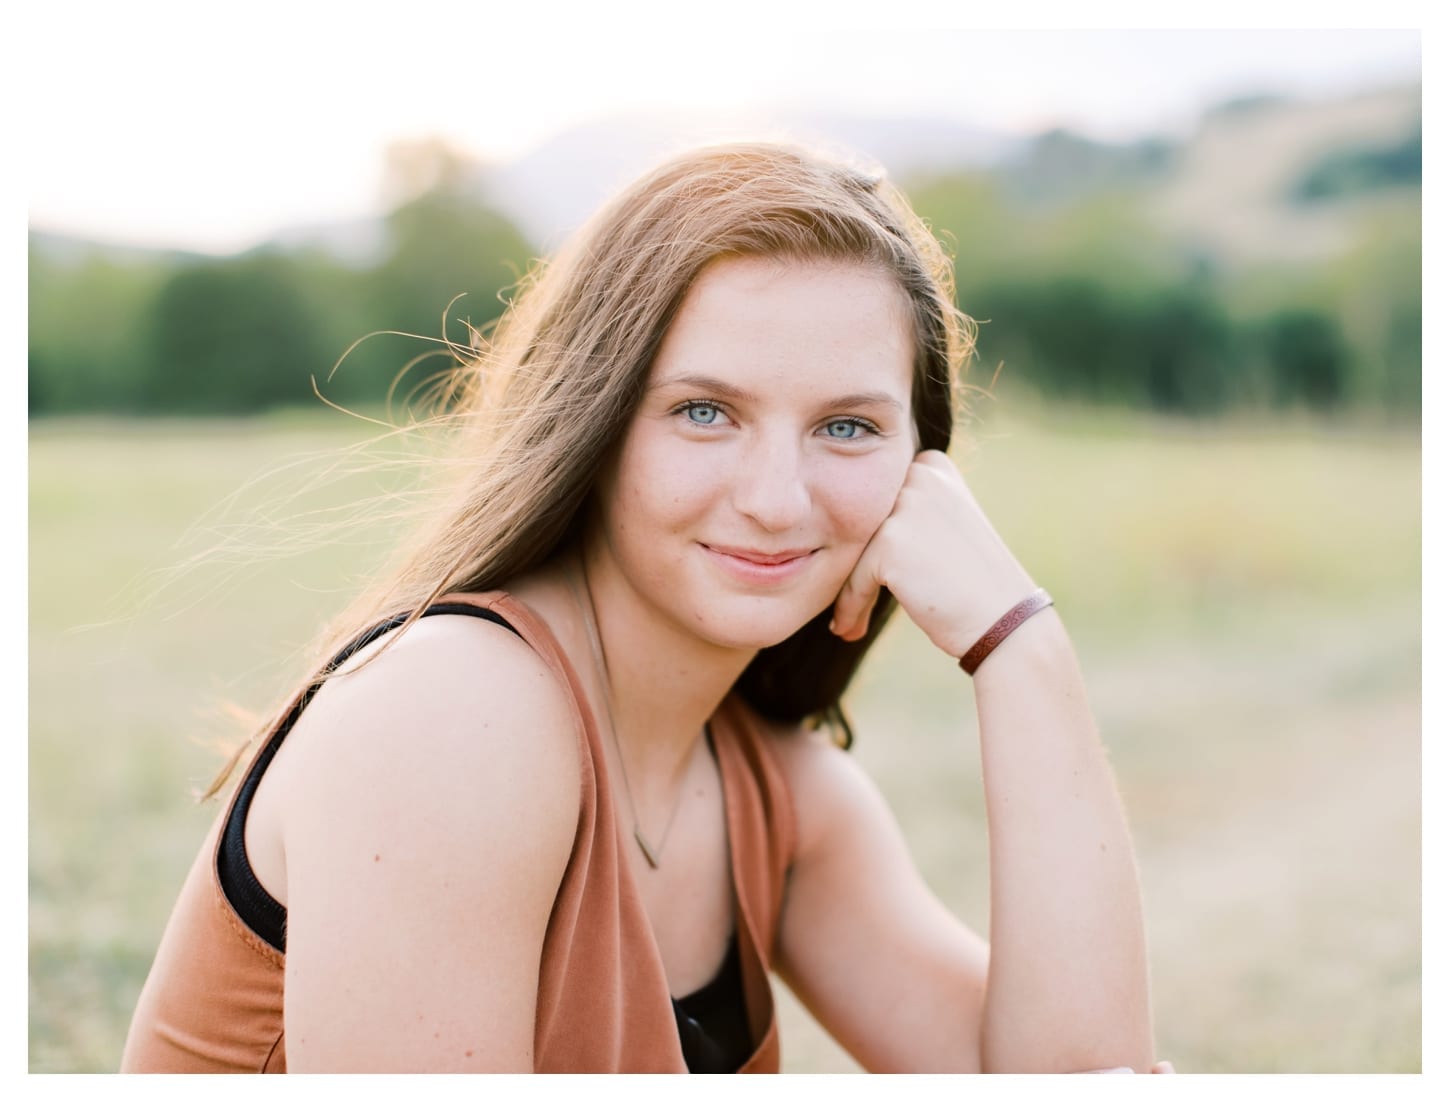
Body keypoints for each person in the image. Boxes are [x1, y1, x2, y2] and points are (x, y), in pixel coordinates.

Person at [121, 141, 1165, 1073]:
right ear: (594, 414)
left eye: (846, 427)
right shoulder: (450, 712)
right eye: (704, 411)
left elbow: (1081, 1081)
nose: (774, 497)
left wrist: (1019, 649)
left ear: (919, 467)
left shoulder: (781, 799)